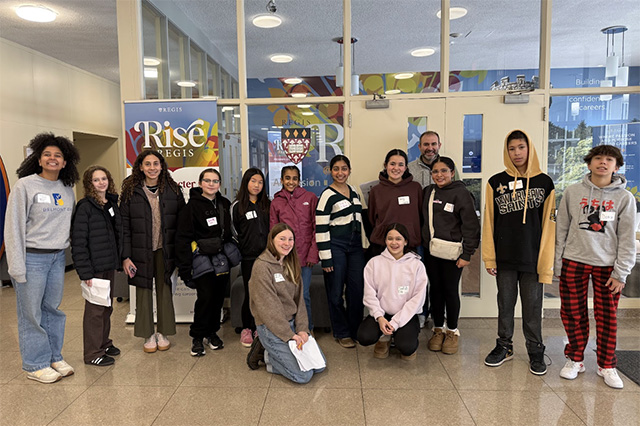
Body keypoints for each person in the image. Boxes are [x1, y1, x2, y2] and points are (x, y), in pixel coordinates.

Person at [555, 145, 636, 389]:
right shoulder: (572, 192)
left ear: (617, 167)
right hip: (574, 260)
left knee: (607, 316)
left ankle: (606, 364)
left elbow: (627, 238)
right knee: (573, 312)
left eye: (609, 159)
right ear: (589, 164)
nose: (603, 162)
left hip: (608, 266)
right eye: (598, 158)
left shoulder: (625, 198)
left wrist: (621, 273)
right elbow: (561, 230)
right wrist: (557, 264)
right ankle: (575, 359)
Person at [5, 133, 79, 383]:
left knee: (53, 310)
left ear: (65, 162)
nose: (52, 158)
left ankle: (54, 356)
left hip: (57, 258)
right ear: (38, 159)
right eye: (47, 154)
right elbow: (13, 227)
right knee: (31, 314)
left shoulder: (67, 189)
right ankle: (35, 364)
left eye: (58, 155)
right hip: (32, 259)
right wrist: (16, 266)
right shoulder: (25, 186)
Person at [482, 130, 556, 375]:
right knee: (505, 304)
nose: (517, 153)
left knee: (532, 306)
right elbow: (489, 222)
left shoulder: (545, 183)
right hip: (504, 257)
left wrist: (546, 262)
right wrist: (490, 257)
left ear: (529, 148)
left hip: (532, 258)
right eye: (512, 148)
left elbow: (549, 225)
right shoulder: (495, 182)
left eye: (521, 147)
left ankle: (535, 349)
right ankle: (504, 346)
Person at [120, 149, 185, 353]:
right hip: (140, 251)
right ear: (140, 167)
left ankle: (163, 332)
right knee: (143, 291)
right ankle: (147, 334)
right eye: (147, 164)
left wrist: (181, 253)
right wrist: (125, 256)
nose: (152, 168)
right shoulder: (131, 192)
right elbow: (123, 227)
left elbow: (182, 224)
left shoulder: (173, 190)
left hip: (165, 250)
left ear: (162, 166)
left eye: (156, 164)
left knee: (165, 290)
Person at [246, 223, 326, 383]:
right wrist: (290, 336)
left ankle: (272, 351)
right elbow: (269, 310)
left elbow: (300, 300)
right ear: (271, 240)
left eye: (290, 239)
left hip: (293, 324)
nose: (287, 243)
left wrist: (302, 329)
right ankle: (266, 355)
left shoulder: (292, 263)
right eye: (282, 239)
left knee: (319, 366)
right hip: (271, 327)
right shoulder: (262, 266)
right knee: (303, 376)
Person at [422, 157, 480, 355]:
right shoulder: (428, 192)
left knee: (450, 290)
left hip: (453, 253)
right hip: (431, 251)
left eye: (444, 171)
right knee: (435, 290)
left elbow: (471, 226)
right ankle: (438, 329)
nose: (439, 175)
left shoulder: (462, 193)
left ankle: (452, 330)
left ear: (452, 173)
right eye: (435, 171)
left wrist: (467, 254)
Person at [176, 168, 231, 356]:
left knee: (218, 298)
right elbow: (182, 239)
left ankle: (212, 332)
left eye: (215, 181)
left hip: (221, 260)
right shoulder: (191, 207)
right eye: (207, 180)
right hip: (201, 261)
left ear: (219, 184)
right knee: (205, 298)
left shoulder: (224, 204)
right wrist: (185, 269)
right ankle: (197, 336)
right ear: (200, 183)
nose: (211, 184)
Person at [71, 166, 122, 366]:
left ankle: (104, 343)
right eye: (96, 180)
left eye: (104, 178)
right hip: (94, 268)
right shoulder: (85, 207)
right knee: (95, 311)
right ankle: (93, 353)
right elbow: (78, 241)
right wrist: (85, 272)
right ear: (89, 183)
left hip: (108, 264)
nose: (101, 183)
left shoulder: (111, 203)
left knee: (106, 307)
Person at [316, 155, 365, 348]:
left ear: (349, 170)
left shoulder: (354, 191)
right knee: (336, 292)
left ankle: (355, 329)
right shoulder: (327, 195)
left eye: (344, 168)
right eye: (336, 169)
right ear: (330, 171)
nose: (340, 172)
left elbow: (359, 219)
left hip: (355, 247)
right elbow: (320, 228)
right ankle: (342, 332)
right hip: (335, 246)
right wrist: (326, 259)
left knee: (356, 290)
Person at [357, 223, 427, 360]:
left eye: (398, 239)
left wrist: (395, 323)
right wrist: (379, 317)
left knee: (406, 347)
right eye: (390, 239)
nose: (394, 243)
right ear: (385, 241)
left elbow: (417, 299)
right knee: (364, 337)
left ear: (405, 241)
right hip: (382, 315)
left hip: (406, 315)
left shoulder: (416, 265)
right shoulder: (374, 263)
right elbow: (369, 295)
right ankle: (384, 338)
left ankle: (400, 336)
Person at [270, 165, 319, 330]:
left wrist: (313, 254)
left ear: (299, 180)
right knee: (286, 295)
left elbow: (316, 228)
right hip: (286, 257)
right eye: (287, 178)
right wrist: (277, 257)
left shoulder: (310, 198)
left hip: (306, 256)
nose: (291, 182)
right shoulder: (276, 202)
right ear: (281, 180)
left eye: (294, 178)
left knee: (303, 295)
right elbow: (273, 232)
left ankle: (307, 330)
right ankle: (289, 330)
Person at [231, 168, 270, 347]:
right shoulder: (237, 206)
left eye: (260, 182)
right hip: (248, 258)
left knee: (266, 294)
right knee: (251, 293)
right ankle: (247, 327)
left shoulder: (267, 204)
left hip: (267, 257)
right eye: (253, 181)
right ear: (246, 182)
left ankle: (261, 327)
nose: (256, 185)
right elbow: (233, 231)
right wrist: (243, 247)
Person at [368, 149, 423, 255]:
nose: (396, 168)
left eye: (401, 165)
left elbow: (421, 215)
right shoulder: (376, 190)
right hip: (384, 245)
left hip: (411, 244)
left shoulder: (415, 188)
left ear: (405, 168)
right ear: (385, 165)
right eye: (392, 164)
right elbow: (372, 219)